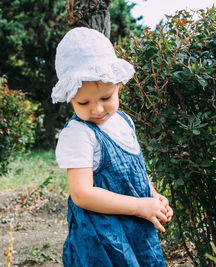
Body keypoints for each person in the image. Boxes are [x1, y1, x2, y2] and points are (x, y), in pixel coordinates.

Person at [52, 27, 173, 266]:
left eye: (106, 98)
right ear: (70, 97)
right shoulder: (79, 134)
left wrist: (152, 195)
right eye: (83, 102)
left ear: (118, 85)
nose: (96, 110)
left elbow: (135, 168)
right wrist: (139, 206)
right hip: (102, 239)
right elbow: (82, 194)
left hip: (136, 226)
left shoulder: (124, 121)